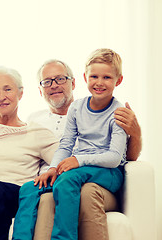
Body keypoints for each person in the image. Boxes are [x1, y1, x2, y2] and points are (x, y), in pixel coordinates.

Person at [12, 48, 130, 240]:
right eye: (94, 76)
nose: (99, 82)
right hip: (78, 170)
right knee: (29, 188)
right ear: (85, 78)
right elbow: (66, 144)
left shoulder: (118, 112)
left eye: (107, 77)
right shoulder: (77, 107)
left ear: (118, 80)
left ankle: (63, 237)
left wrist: (78, 160)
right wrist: (52, 169)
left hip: (108, 172)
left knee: (68, 180)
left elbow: (115, 157)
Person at [0, 66, 59, 240]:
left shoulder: (37, 132)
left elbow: (63, 161)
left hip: (18, 195)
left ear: (20, 93)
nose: (1, 97)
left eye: (7, 89)